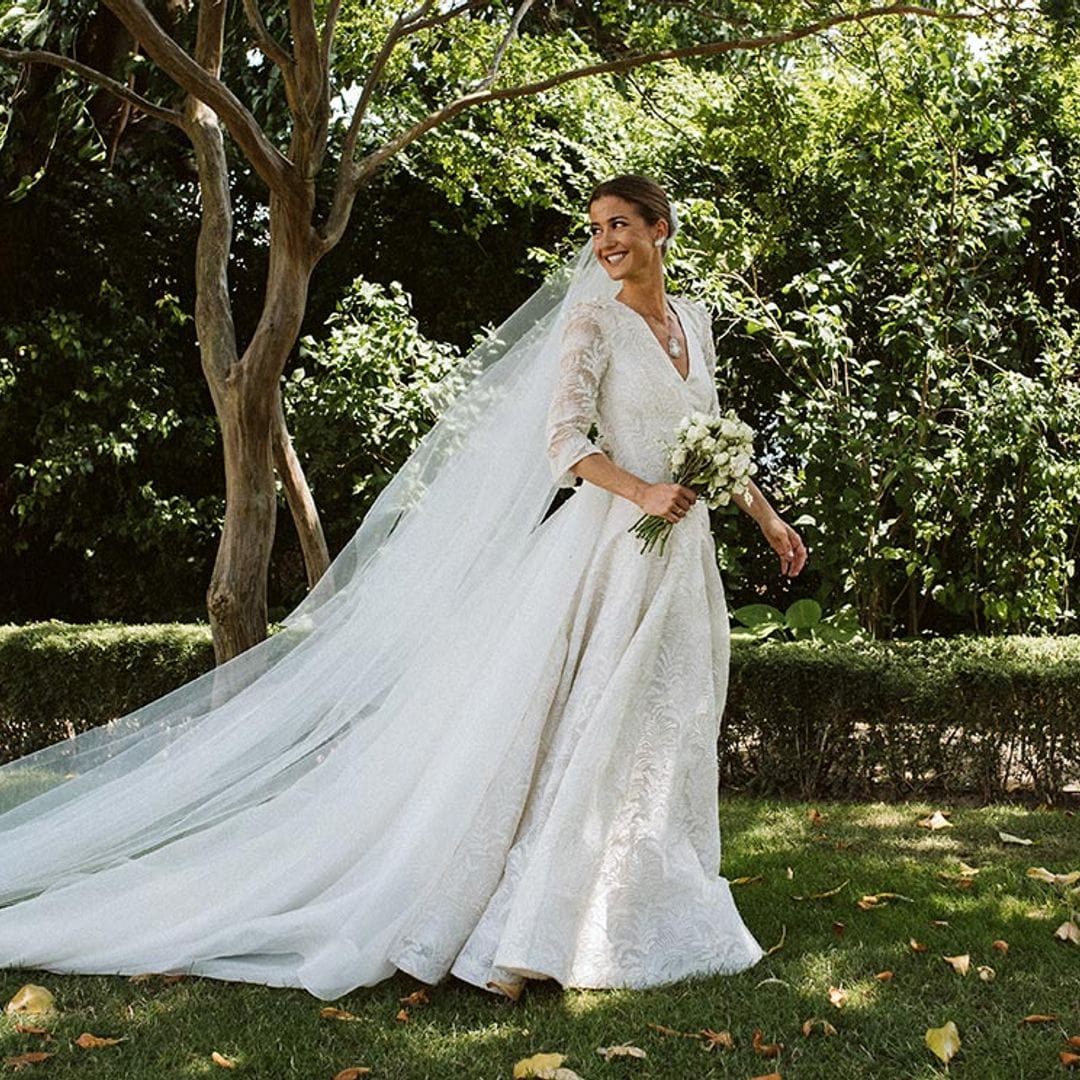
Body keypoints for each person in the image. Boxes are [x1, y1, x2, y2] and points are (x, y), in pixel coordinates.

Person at [0, 175, 805, 1002]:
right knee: (595, 720)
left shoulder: (695, 325)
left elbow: (709, 443)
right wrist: (640, 493)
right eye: (598, 228)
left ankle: (639, 892)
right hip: (616, 553)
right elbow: (563, 442)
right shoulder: (591, 317)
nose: (606, 242)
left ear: (661, 231)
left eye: (622, 226)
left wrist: (768, 518)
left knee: (669, 726)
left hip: (684, 560)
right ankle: (532, 918)